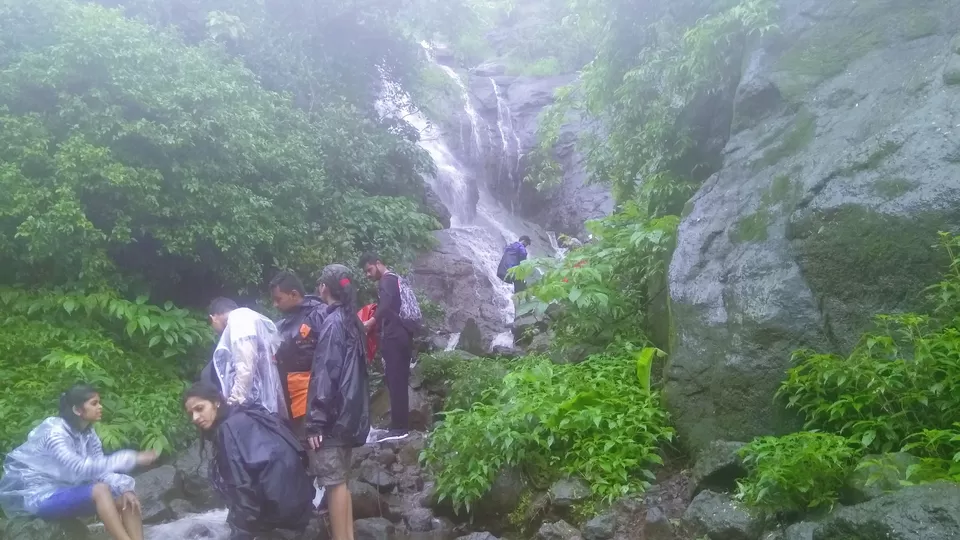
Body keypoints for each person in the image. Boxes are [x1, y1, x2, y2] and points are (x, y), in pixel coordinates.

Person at [0, 384, 158, 540]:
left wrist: (125, 488)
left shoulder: (88, 433)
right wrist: (131, 458)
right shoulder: (55, 434)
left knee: (127, 499)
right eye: (94, 403)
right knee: (100, 490)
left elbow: (99, 470)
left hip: (67, 491)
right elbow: (79, 469)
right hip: (40, 496)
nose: (100, 407)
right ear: (77, 410)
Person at [183, 383, 314, 540]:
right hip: (301, 506)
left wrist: (241, 534)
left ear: (216, 402)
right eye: (191, 414)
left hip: (278, 518)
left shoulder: (228, 430)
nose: (195, 418)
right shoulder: (249, 414)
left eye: (199, 408)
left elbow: (242, 488)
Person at [306, 264, 371, 540]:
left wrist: (316, 421)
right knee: (341, 482)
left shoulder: (332, 323)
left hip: (333, 416)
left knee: (333, 484)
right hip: (349, 413)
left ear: (325, 288)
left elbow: (326, 373)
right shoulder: (350, 319)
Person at [359, 252, 414, 442]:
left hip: (394, 336)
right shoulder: (397, 279)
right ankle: (400, 425)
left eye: (369, 269)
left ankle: (400, 428)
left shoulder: (387, 281)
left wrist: (371, 321)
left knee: (395, 380)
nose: (367, 275)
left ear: (379, 263)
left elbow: (387, 302)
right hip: (404, 335)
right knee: (398, 380)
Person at [201, 298, 287, 418]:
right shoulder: (251, 319)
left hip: (254, 405)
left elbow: (245, 362)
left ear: (213, 318)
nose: (216, 332)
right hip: (267, 402)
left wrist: (235, 399)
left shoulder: (238, 318)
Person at [270, 271, 326, 432]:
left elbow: (330, 360)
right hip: (289, 397)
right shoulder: (283, 323)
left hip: (312, 397)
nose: (275, 304)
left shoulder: (319, 314)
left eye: (278, 299)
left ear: (294, 294)